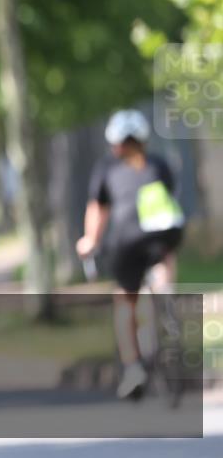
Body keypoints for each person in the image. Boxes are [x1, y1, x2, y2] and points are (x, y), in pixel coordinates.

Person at [76, 109, 184, 399]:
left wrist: (89, 240)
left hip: (126, 240)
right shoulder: (158, 163)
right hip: (163, 233)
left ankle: (133, 366)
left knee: (125, 301)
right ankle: (165, 293)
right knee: (165, 254)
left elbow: (97, 209)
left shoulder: (107, 168)